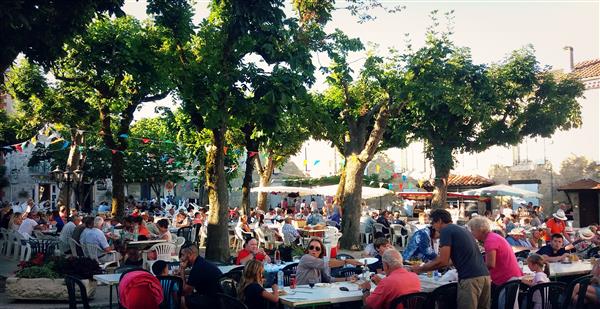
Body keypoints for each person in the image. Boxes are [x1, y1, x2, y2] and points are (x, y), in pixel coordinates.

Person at [410, 209, 491, 309]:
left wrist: (420, 269)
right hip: (484, 276)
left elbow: (443, 261)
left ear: (439, 221)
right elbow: (452, 260)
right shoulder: (461, 229)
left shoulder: (446, 230)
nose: (432, 226)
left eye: (432, 222)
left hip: (470, 279)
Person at [467, 216, 522, 288]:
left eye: (472, 230)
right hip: (512, 277)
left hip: (507, 280)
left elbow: (490, 265)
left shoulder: (490, 241)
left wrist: (472, 270)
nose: (471, 233)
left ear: (480, 229)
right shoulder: (493, 236)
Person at [296, 238, 361, 285]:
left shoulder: (321, 261)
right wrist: (346, 261)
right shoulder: (306, 258)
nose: (314, 250)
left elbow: (329, 279)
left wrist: (347, 279)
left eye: (317, 248)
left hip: (315, 293)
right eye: (311, 247)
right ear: (308, 249)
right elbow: (329, 264)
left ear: (321, 251)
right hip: (303, 293)